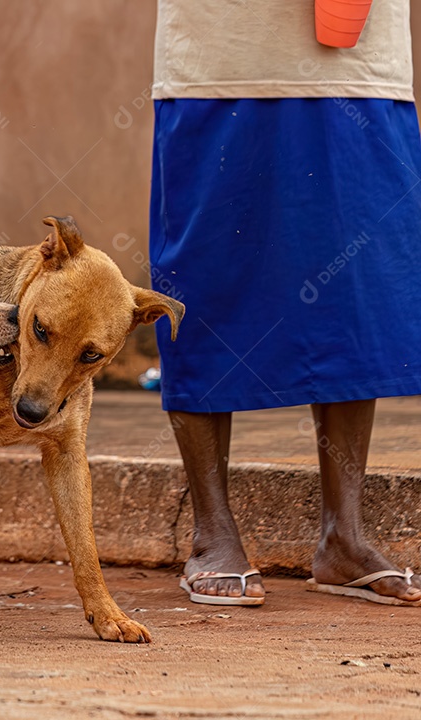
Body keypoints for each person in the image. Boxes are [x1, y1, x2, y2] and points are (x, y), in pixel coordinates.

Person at [150, 0, 421, 606]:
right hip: (224, 58)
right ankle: (212, 535)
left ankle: (344, 539)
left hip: (359, 66)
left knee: (358, 293)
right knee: (208, 278)